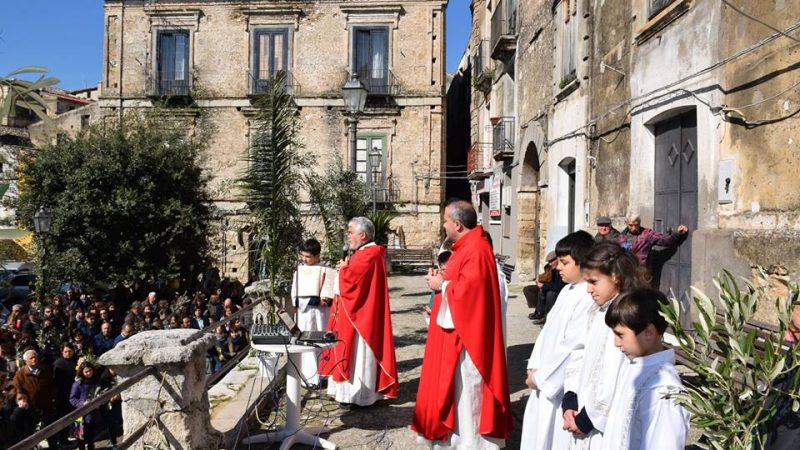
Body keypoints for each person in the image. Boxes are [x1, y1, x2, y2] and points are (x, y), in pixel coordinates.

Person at [412, 199, 513, 448]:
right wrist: (444, 281)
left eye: (446, 221)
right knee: (459, 394)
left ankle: (472, 444)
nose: (444, 226)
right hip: (456, 335)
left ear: (457, 223)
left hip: (468, 343)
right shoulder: (466, 247)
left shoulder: (476, 249)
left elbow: (471, 295)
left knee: (468, 394)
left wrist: (441, 286)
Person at [561, 241, 649, 449]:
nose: (588, 290)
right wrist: (571, 397)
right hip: (582, 409)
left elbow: (617, 373)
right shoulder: (595, 310)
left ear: (615, 277)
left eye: (593, 282)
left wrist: (589, 418)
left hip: (604, 423)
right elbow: (579, 351)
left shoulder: (628, 318)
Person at [520, 230, 596, 450]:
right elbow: (546, 334)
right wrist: (533, 367)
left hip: (558, 386)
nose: (558, 267)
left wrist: (542, 378)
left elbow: (574, 347)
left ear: (582, 263)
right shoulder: (567, 291)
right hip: (541, 377)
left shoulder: (587, 297)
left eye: (565, 262)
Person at [320, 217, 398, 408]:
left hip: (359, 316)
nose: (348, 235)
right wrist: (346, 268)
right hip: (360, 312)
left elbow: (351, 283)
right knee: (355, 354)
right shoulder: (367, 253)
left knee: (357, 354)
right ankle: (355, 394)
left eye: (351, 232)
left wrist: (344, 270)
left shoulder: (367, 255)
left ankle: (356, 396)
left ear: (362, 235)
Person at [600, 288, 690, 450]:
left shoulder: (664, 389)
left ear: (649, 332)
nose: (616, 343)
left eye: (620, 335)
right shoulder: (635, 366)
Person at [290, 238, 336, 387]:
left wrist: (321, 300)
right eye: (303, 256)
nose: (305, 259)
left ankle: (322, 375)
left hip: (320, 314)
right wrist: (302, 301)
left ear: (317, 256)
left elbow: (328, 297)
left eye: (308, 256)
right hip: (304, 314)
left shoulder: (327, 271)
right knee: (305, 341)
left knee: (320, 342)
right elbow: (294, 293)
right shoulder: (299, 271)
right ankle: (307, 377)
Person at [12, 349, 58, 449]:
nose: (34, 359)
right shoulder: (20, 374)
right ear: (26, 361)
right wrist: (21, 400)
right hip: (31, 408)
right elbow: (17, 390)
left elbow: (52, 385)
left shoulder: (45, 369)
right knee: (31, 434)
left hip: (47, 406)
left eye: (35, 357)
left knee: (51, 431)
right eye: (31, 358)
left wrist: (52, 397)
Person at [618, 214, 688, 267]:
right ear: (626, 223)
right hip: (625, 270)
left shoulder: (647, 234)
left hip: (641, 271)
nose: (634, 228)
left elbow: (665, 240)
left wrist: (677, 233)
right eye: (631, 225)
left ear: (639, 223)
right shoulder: (621, 237)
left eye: (636, 225)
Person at [70, 361, 100, 450]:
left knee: (91, 436)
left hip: (92, 414)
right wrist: (82, 403)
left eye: (90, 370)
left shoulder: (96, 382)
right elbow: (72, 399)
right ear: (82, 372)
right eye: (86, 372)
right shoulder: (78, 384)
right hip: (80, 414)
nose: (89, 373)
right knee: (80, 437)